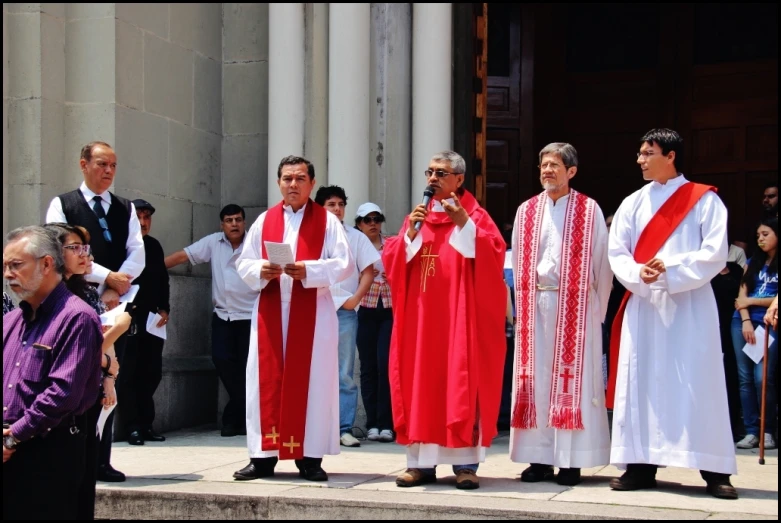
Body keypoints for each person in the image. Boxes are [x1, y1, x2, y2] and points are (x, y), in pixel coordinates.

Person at [607, 128, 738, 499]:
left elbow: (715, 252)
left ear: (671, 155)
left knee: (699, 384)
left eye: (648, 153)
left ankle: (715, 469)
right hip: (645, 304)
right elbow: (618, 253)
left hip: (689, 304)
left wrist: (670, 269)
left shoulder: (705, 201)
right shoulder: (633, 202)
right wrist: (638, 274)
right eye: (640, 152)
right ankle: (640, 465)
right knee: (642, 384)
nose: (640, 159)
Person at [383, 150, 506, 491]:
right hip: (422, 321)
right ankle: (420, 465)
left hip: (459, 319)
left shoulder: (475, 215)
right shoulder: (418, 215)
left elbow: (494, 255)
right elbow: (393, 258)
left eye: (441, 172)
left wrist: (463, 223)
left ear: (459, 180)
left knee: (460, 382)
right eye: (430, 172)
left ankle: (465, 465)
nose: (433, 178)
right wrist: (409, 234)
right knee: (419, 383)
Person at [232, 155, 352, 482]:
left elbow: (344, 264)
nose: (293, 184)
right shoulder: (264, 220)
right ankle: (262, 457)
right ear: (278, 183)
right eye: (287, 178)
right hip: (271, 309)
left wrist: (309, 270)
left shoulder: (327, 222)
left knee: (313, 382)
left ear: (312, 183)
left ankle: (310, 458)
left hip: (312, 312)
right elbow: (244, 262)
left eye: (300, 178)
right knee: (264, 381)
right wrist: (261, 269)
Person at [509, 143, 612, 486]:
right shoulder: (526, 211)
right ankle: (538, 459)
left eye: (555, 165)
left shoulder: (589, 209)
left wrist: (595, 311)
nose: (547, 171)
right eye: (543, 165)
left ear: (572, 171)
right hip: (533, 305)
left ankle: (571, 461)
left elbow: (602, 264)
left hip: (576, 309)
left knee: (573, 382)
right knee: (535, 380)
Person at [46, 140, 144, 483]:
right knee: (77, 379)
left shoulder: (125, 207)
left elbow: (137, 252)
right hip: (75, 302)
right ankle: (76, 456)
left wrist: (115, 288)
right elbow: (59, 249)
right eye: (102, 164)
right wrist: (107, 277)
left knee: (110, 381)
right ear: (84, 164)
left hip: (116, 304)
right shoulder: (64, 204)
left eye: (113, 165)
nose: (108, 171)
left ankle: (102, 459)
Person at [3, 226, 103, 520]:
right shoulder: (11, 321)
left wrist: (12, 438)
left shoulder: (77, 317)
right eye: (5, 267)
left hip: (49, 451)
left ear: (47, 264)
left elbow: (62, 394)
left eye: (16, 265)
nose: (9, 274)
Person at [44, 222, 130, 520]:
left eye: (86, 248)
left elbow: (99, 339)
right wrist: (114, 340)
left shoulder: (86, 292)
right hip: (59, 398)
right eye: (75, 248)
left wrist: (109, 377)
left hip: (90, 392)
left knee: (85, 473)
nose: (84, 255)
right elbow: (72, 352)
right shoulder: (42, 297)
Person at [165, 204, 256, 437]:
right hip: (223, 316)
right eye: (229, 220)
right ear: (222, 224)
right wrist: (151, 269)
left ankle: (233, 420)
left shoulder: (256, 242)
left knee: (248, 368)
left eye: (238, 219)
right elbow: (183, 255)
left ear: (245, 223)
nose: (234, 224)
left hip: (250, 316)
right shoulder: (214, 242)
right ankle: (244, 414)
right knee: (222, 360)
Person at [314, 186, 379, 448]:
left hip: (345, 311)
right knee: (313, 370)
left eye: (341, 204)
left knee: (343, 372)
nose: (337, 209)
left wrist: (355, 300)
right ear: (320, 207)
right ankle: (316, 426)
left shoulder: (355, 237)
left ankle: (343, 427)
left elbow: (370, 271)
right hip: (314, 307)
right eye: (331, 204)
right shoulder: (309, 236)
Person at [124, 200, 170, 446]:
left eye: (147, 217)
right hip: (129, 317)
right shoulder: (124, 245)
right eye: (139, 217)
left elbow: (163, 279)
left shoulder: (153, 246)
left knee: (151, 372)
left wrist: (165, 307)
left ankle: (146, 424)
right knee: (129, 372)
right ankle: (132, 426)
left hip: (152, 318)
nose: (143, 222)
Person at [732, 217, 778, 450]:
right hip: (743, 322)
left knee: (764, 378)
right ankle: (751, 431)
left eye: (766, 234)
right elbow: (741, 296)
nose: (760, 239)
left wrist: (752, 301)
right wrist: (746, 319)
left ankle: (767, 429)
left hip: (770, 324)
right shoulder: (752, 262)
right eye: (758, 235)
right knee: (745, 378)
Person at [354, 202, 395, 442]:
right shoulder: (354, 246)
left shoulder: (392, 243)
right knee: (368, 368)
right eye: (367, 220)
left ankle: (386, 423)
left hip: (389, 308)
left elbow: (408, 268)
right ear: (359, 224)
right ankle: (372, 423)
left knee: (385, 365)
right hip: (364, 308)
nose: (373, 224)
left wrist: (395, 273)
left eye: (376, 219)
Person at [711, 261, 747, 442]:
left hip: (731, 327)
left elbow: (740, 295)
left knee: (731, 377)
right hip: (709, 330)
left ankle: (732, 426)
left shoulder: (735, 269)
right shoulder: (703, 271)